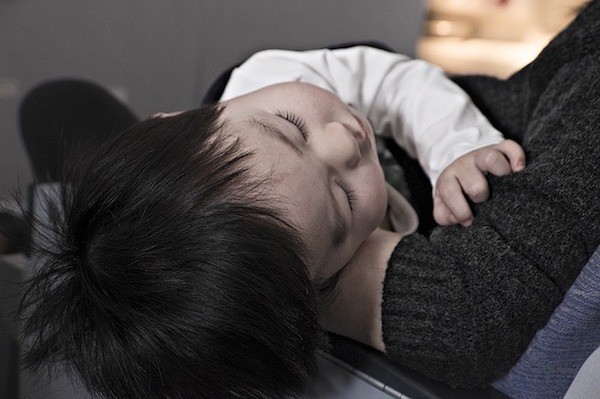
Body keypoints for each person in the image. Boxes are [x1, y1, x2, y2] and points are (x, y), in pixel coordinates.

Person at [16, 1, 600, 397]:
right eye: (345, 201)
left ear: (183, 116)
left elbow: (399, 83)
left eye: (292, 128)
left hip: (449, 117)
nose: (346, 143)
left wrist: (457, 149)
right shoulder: (308, 255)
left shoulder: (271, 75)